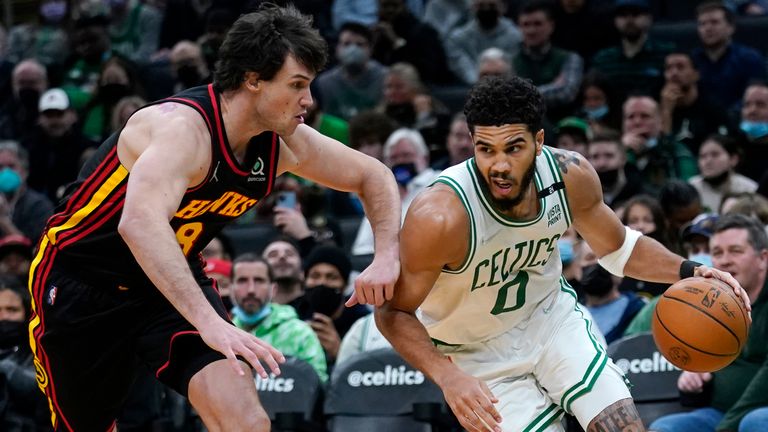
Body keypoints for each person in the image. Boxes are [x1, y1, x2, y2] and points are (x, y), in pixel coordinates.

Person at [28, 6, 401, 431]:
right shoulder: (182, 131)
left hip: (167, 283)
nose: (309, 101)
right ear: (252, 79)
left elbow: (374, 176)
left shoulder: (282, 144)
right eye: (297, 85)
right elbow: (139, 224)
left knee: (246, 420)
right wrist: (209, 322)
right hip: (81, 283)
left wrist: (387, 253)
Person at [375, 75, 750, 432]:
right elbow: (393, 311)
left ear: (539, 141)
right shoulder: (440, 215)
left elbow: (619, 248)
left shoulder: (569, 175)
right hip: (475, 353)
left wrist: (690, 270)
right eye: (485, 149)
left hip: (551, 321)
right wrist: (447, 375)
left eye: (514, 148)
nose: (499, 166)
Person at [650, 214, 768, 432]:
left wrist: (725, 429)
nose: (724, 260)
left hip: (756, 414)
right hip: (719, 413)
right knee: (664, 427)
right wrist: (697, 374)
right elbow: (694, 399)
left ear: (763, 258)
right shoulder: (706, 304)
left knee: (755, 423)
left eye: (735, 251)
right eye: (717, 253)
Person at [229, 254, 327, 382]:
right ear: (230, 288)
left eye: (259, 280)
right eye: (242, 281)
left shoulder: (299, 333)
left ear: (273, 289)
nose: (251, 290)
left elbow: (317, 385)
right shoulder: (223, 336)